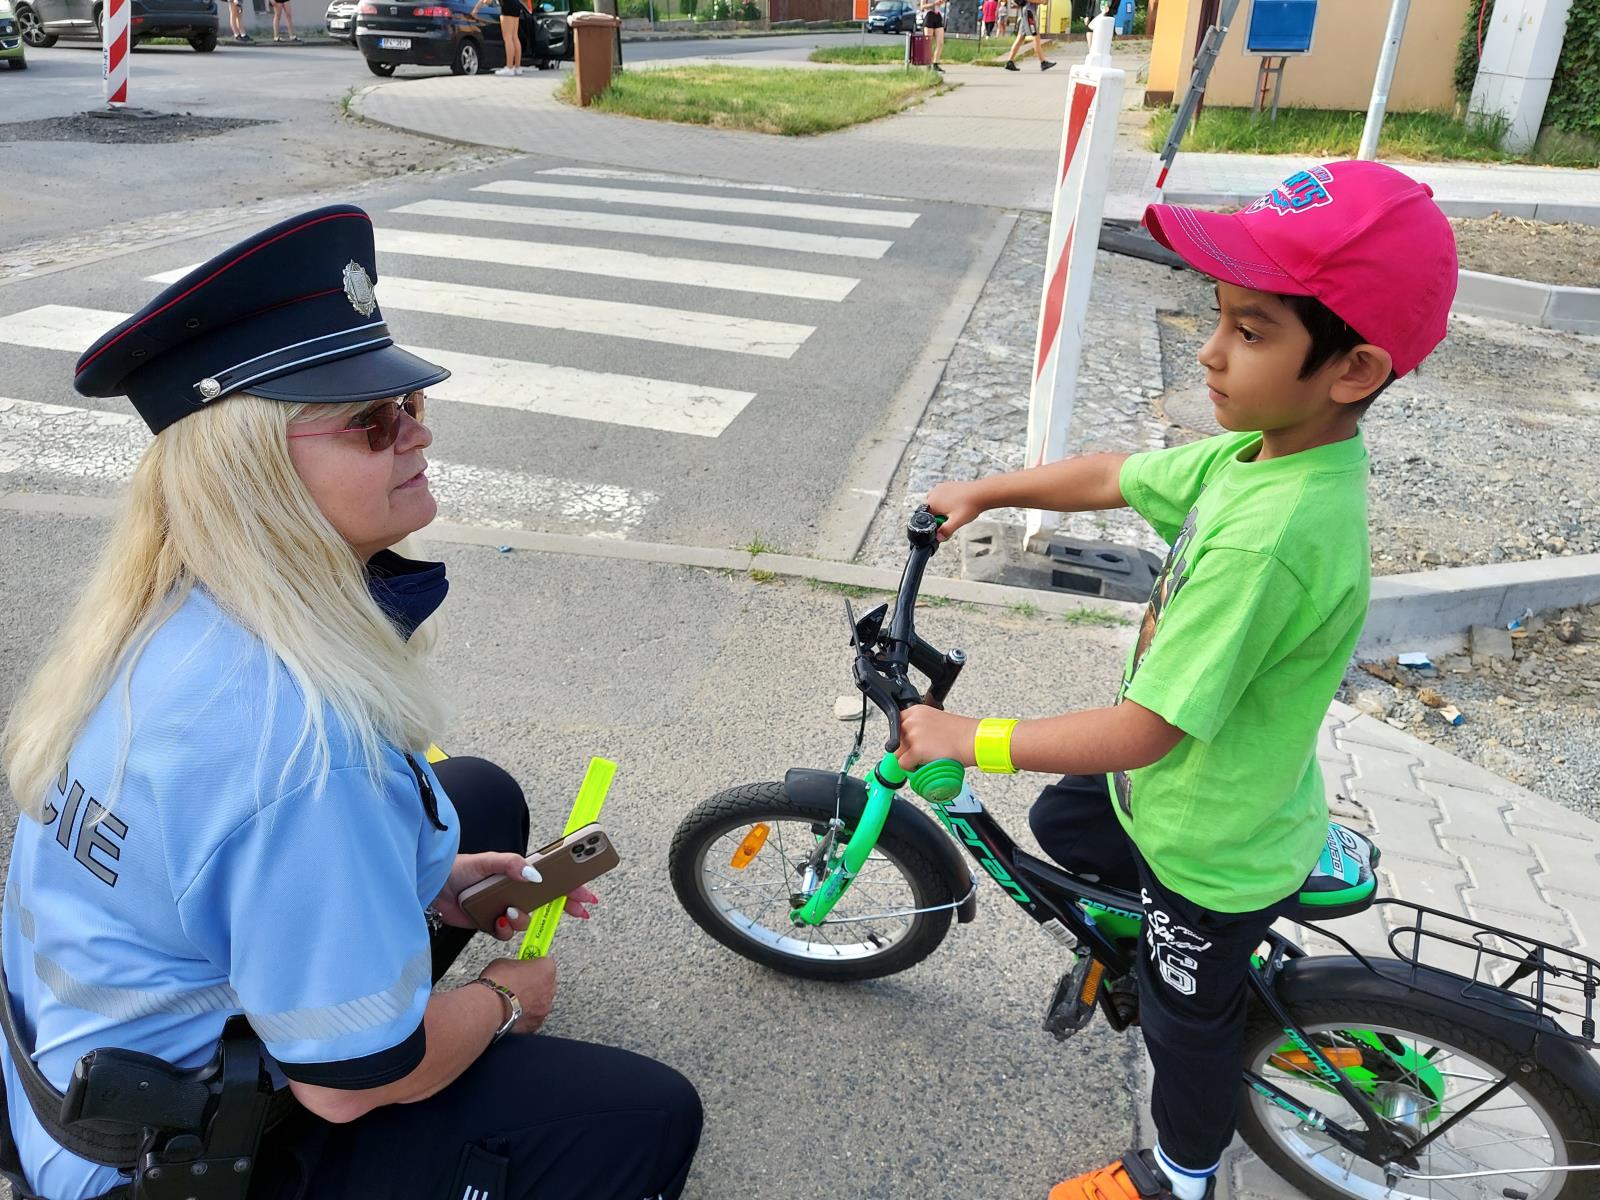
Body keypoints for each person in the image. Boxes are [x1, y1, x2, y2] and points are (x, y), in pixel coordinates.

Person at [0, 204, 703, 1200]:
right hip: (152, 1161)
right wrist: (502, 1000)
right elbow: (348, 1086)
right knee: (646, 1116)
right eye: (372, 421)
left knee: (480, 797)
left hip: (74, 1073)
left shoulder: (163, 609)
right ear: (255, 481)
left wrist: (438, 882)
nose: (416, 432)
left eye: (411, 401)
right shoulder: (302, 744)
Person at [896, 161, 1458, 1200]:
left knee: (1184, 1025)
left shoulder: (1271, 539)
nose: (1208, 351)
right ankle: (1140, 949)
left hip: (1209, 844)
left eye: (1249, 332)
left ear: (1350, 370)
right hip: (1191, 791)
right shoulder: (1259, 455)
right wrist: (984, 486)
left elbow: (1144, 730)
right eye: (1218, 319)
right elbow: (1116, 473)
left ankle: (1180, 1174)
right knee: (1070, 828)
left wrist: (965, 736)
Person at [471, 0, 526, 74]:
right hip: (516, 5)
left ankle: (509, 68)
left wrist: (476, 9)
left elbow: (488, 1)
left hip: (507, 7)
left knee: (508, 38)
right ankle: (517, 67)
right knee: (514, 37)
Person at [1001, 0, 1053, 71]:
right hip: (1028, 13)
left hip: (1027, 12)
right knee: (1036, 36)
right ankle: (1043, 62)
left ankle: (1009, 62)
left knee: (1020, 38)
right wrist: (1041, 2)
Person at [918, 0, 945, 69]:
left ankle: (935, 63)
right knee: (928, 43)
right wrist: (934, 4)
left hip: (938, 15)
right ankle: (928, 63)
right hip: (929, 16)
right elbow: (922, 6)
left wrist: (941, 2)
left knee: (940, 43)